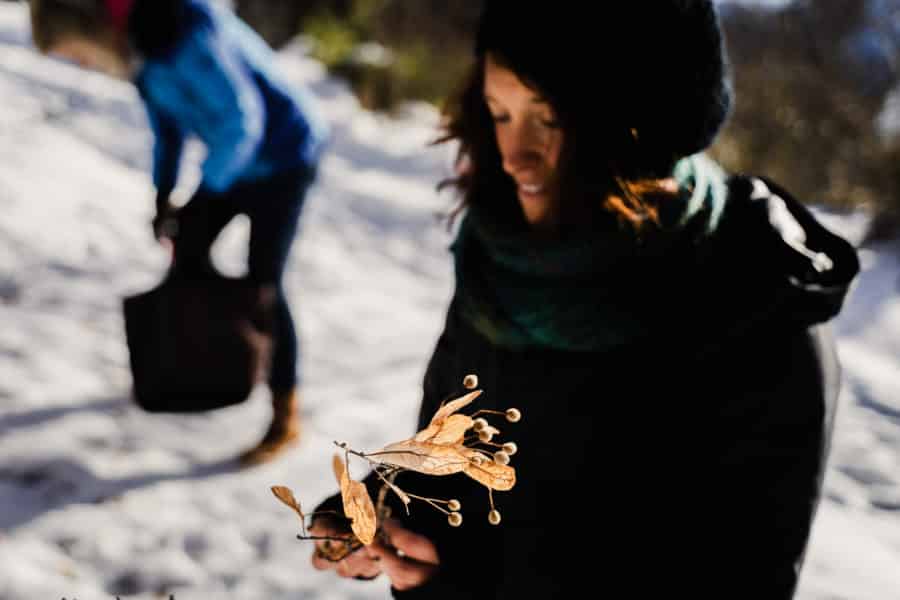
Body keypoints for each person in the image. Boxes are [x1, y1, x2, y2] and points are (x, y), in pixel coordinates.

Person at [308, 2, 860, 598]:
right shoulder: (504, 265)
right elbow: (457, 452)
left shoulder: (762, 316)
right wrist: (384, 508)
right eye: (499, 114)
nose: (514, 154)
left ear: (635, 123)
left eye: (548, 119)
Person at [28, 0, 330, 465]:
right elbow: (166, 128)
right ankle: (202, 363)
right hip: (237, 161)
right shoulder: (137, 52)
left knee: (264, 281)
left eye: (74, 52)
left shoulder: (182, 24)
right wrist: (164, 192)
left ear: (85, 27)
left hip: (284, 154)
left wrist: (206, 194)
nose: (80, 64)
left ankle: (284, 412)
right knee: (186, 246)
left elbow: (242, 119)